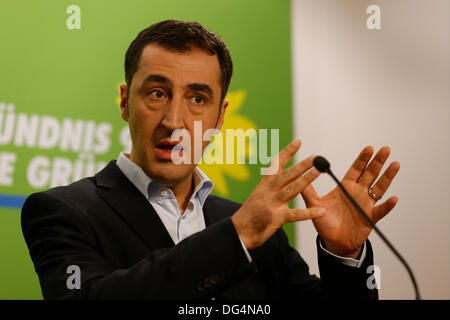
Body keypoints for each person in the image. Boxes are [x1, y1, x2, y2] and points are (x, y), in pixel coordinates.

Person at [21, 20, 400, 299]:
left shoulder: (256, 227)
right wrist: (235, 237)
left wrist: (344, 255)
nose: (174, 121)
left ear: (220, 117)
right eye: (156, 93)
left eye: (197, 99)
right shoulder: (61, 211)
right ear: (124, 101)